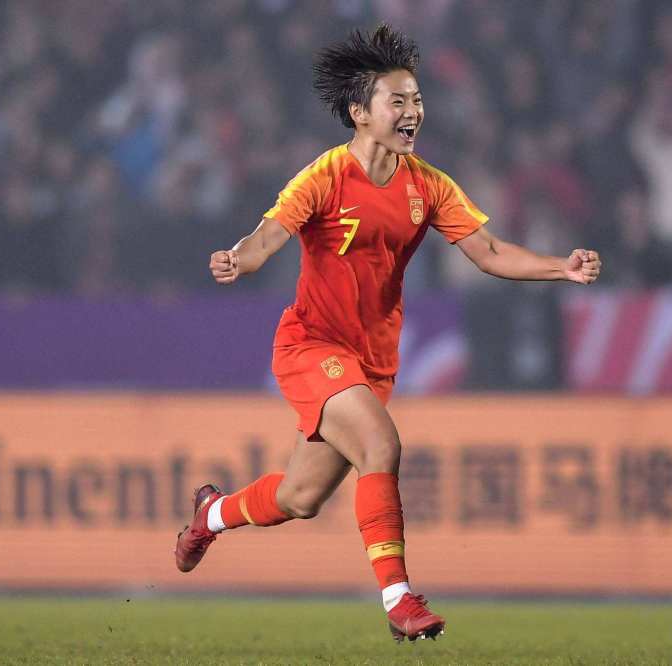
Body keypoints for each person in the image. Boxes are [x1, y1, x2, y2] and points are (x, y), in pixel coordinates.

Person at [175, 24, 601, 642]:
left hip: (372, 360)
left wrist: (560, 267)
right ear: (360, 113)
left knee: (300, 498)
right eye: (397, 100)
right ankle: (400, 602)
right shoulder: (325, 176)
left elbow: (487, 251)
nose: (413, 111)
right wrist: (238, 258)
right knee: (381, 445)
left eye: (417, 100)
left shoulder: (427, 184)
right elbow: (268, 236)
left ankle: (210, 515)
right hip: (311, 345)